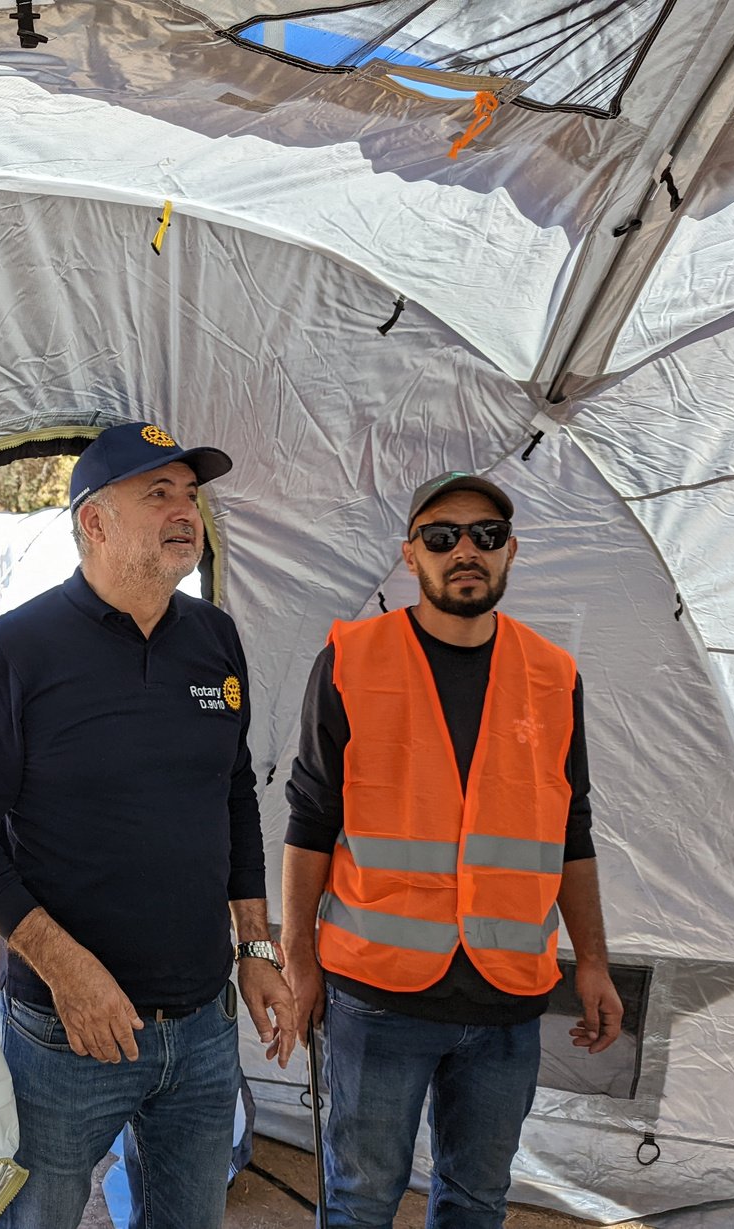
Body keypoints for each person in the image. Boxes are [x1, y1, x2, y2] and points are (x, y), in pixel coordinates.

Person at [0, 421, 297, 1229]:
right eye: (158, 492)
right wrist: (67, 970)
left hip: (205, 1023)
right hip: (64, 1032)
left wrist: (255, 949)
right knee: (34, 1217)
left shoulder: (215, 638)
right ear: (93, 522)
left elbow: (233, 794)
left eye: (190, 494)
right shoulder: (14, 652)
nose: (185, 511)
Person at [281, 472, 625, 1229]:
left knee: (477, 1200)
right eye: (442, 536)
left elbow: (574, 829)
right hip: (377, 997)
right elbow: (310, 818)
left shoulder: (553, 676)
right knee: (361, 1200)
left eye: (485, 535)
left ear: (509, 552)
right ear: (412, 555)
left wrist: (593, 960)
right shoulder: (351, 659)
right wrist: (297, 958)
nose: (464, 549)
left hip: (509, 1001)